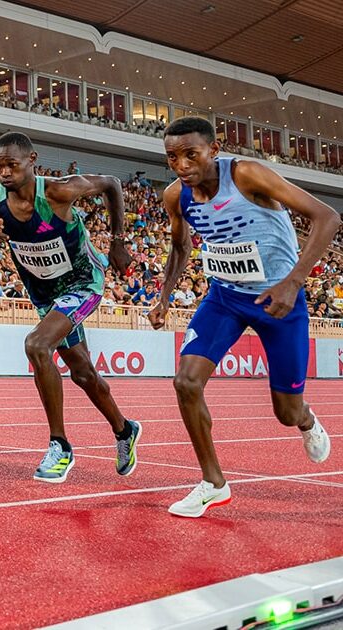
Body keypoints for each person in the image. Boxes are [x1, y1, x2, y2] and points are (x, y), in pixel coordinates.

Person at [149, 117, 338, 518]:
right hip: (225, 298)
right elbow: (180, 246)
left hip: (279, 302)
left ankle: (306, 421)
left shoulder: (247, 175)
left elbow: (328, 217)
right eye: (172, 157)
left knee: (286, 412)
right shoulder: (175, 196)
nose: (181, 165)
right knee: (185, 381)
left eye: (190, 154)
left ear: (213, 151)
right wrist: (165, 296)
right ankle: (212, 484)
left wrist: (292, 283)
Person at [0, 132, 140, 484]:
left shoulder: (58, 191)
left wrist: (118, 241)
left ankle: (59, 445)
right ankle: (125, 431)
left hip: (82, 283)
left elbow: (111, 184)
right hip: (45, 295)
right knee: (82, 373)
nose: (3, 173)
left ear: (32, 160)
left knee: (37, 344)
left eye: (11, 165)